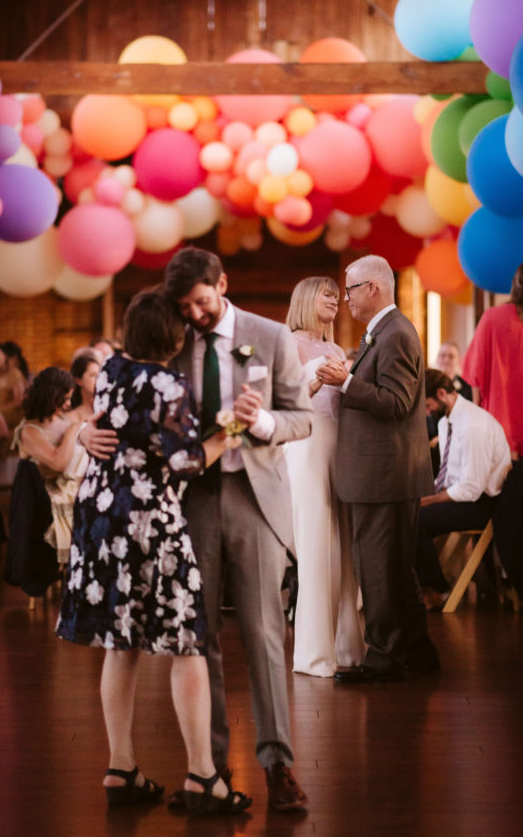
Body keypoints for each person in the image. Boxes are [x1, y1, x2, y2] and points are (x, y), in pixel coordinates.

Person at [57, 288, 250, 814]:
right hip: (149, 523)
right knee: (187, 641)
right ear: (174, 334)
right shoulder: (170, 384)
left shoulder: (113, 369)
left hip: (101, 520)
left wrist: (81, 433)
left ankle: (120, 768)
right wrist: (233, 428)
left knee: (123, 642)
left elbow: (104, 424)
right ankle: (203, 778)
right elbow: (188, 461)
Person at [161, 246, 313, 812]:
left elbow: (303, 418)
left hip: (255, 500)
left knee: (263, 635)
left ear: (221, 284)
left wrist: (265, 420)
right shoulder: (172, 339)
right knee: (198, 640)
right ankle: (211, 767)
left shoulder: (270, 336)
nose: (196, 315)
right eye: (185, 307)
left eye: (201, 302)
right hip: (192, 501)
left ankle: (278, 766)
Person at [317, 255, 439, 684]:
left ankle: (385, 657)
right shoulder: (383, 332)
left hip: (384, 474)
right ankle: (419, 653)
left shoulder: (397, 334)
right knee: (395, 568)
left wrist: (346, 382)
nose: (345, 298)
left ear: (372, 288)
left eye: (349, 289)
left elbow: (397, 403)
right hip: (382, 472)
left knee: (379, 569)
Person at [284, 276, 364, 676]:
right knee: (316, 548)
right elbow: (281, 401)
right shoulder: (288, 343)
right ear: (305, 299)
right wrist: (318, 380)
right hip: (308, 443)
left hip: (339, 446)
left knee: (345, 547)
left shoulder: (333, 347)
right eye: (327, 294)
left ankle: (348, 647)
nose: (335, 300)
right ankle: (315, 656)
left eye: (338, 295)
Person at [416, 369, 512, 610]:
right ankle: (423, 587)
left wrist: (430, 501)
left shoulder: (473, 426)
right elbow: (448, 475)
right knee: (406, 513)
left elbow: (472, 487)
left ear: (441, 393)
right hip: (463, 498)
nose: (427, 412)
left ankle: (438, 590)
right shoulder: (445, 422)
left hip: (483, 504)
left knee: (414, 522)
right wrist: (425, 495)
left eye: (427, 405)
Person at [461, 262, 523, 465]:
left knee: (496, 487)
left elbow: (475, 372)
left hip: (495, 418)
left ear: (514, 284)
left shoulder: (491, 318)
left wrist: (476, 416)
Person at [14, 368, 89, 565]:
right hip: (43, 495)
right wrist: (74, 430)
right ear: (50, 396)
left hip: (69, 485)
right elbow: (59, 463)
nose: (68, 404)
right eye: (64, 399)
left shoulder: (64, 419)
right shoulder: (30, 430)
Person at [67, 350, 100, 422]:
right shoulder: (71, 416)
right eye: (93, 375)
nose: (99, 379)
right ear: (79, 380)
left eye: (99, 375)